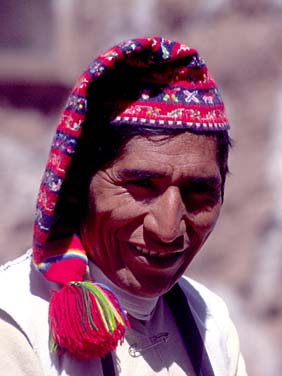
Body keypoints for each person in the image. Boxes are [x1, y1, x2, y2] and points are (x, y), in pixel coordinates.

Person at [0, 36, 247, 375]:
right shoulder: (15, 322)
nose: (168, 229)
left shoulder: (211, 323)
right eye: (142, 185)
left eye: (198, 192)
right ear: (77, 185)